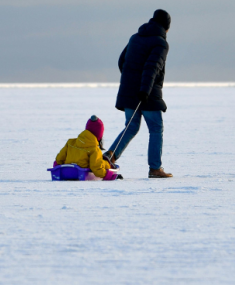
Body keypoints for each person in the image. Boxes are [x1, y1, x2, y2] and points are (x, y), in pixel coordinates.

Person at [105, 9, 173, 178]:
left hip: (130, 91)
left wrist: (131, 80)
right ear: (166, 28)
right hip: (147, 93)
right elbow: (152, 67)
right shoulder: (160, 43)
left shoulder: (135, 38)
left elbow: (122, 61)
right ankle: (155, 169)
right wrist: (144, 89)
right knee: (156, 128)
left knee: (131, 126)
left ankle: (110, 155)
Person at [54, 115, 121, 180]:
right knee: (102, 163)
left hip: (67, 172)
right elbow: (96, 168)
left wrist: (56, 168)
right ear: (99, 135)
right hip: (82, 174)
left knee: (100, 161)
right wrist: (110, 176)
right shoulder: (94, 149)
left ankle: (106, 162)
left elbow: (59, 159)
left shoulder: (70, 142)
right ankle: (108, 164)